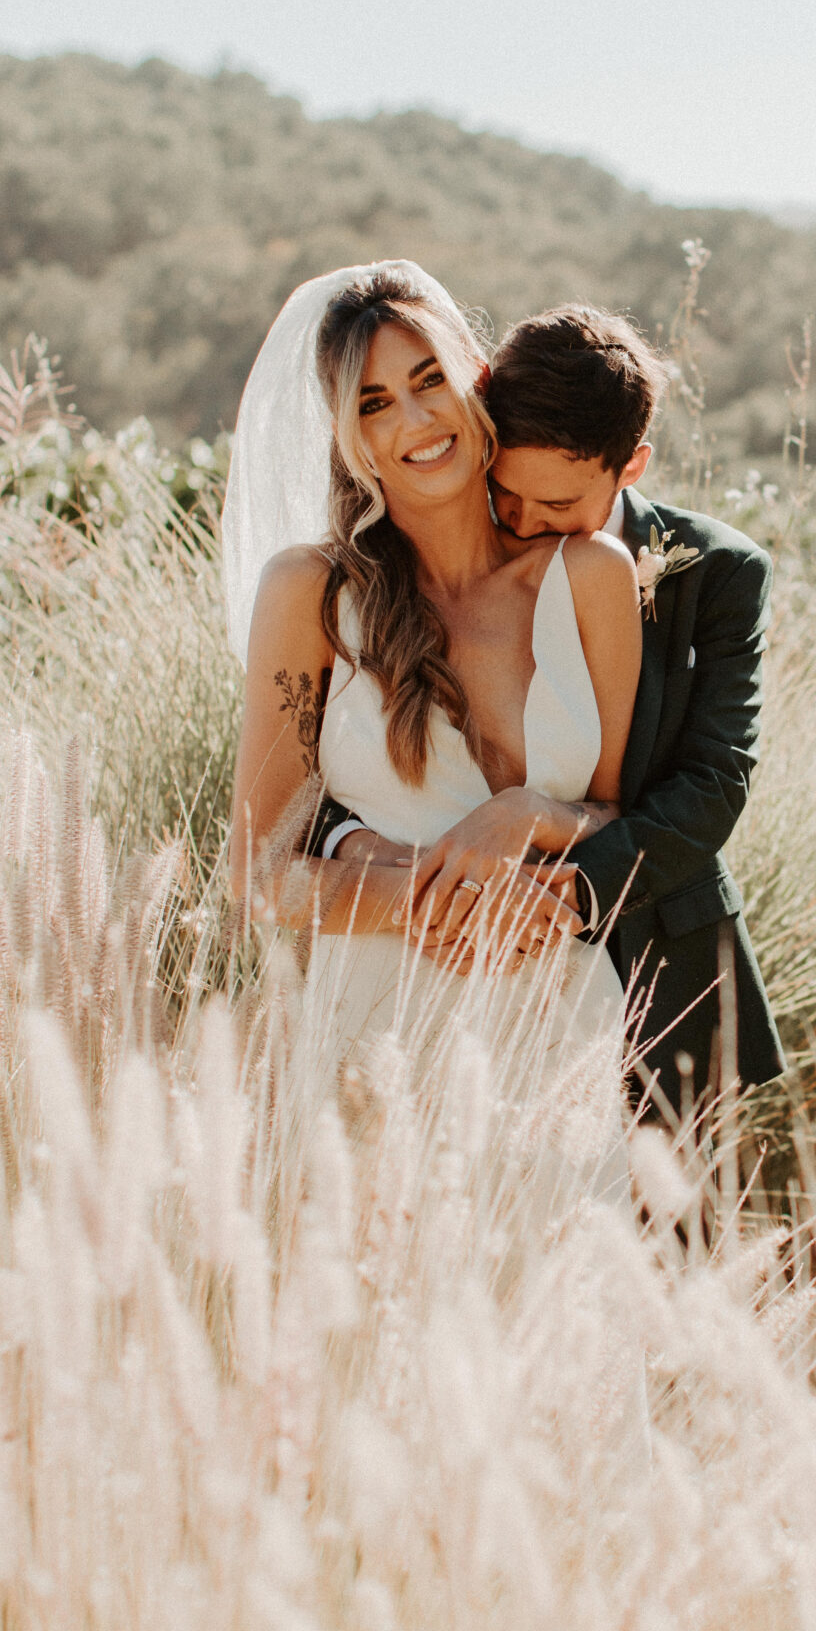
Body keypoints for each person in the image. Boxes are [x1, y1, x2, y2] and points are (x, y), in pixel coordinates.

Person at [316, 303, 785, 1120]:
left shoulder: (716, 571)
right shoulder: (413, 566)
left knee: (671, 1239)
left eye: (559, 505)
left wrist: (550, 886)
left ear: (629, 468)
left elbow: (711, 787)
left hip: (654, 965)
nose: (525, 523)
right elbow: (341, 763)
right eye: (508, 494)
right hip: (434, 991)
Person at [223, 263, 643, 1171]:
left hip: (556, 1024)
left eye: (427, 382)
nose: (414, 422)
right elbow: (259, 876)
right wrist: (431, 893)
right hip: (378, 1034)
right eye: (374, 404)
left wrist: (528, 818)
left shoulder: (592, 578)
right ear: (347, 439)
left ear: (474, 381)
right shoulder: (311, 595)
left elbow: (612, 817)